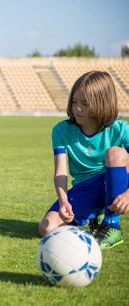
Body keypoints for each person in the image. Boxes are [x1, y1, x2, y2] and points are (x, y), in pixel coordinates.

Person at [39, 71, 128, 249]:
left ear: (101, 103)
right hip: (84, 188)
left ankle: (111, 225)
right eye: (74, 102)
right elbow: (61, 172)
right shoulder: (61, 130)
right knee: (47, 228)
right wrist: (63, 201)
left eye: (85, 104)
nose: (77, 108)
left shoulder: (120, 129)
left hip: (113, 184)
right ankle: (95, 218)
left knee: (115, 153)